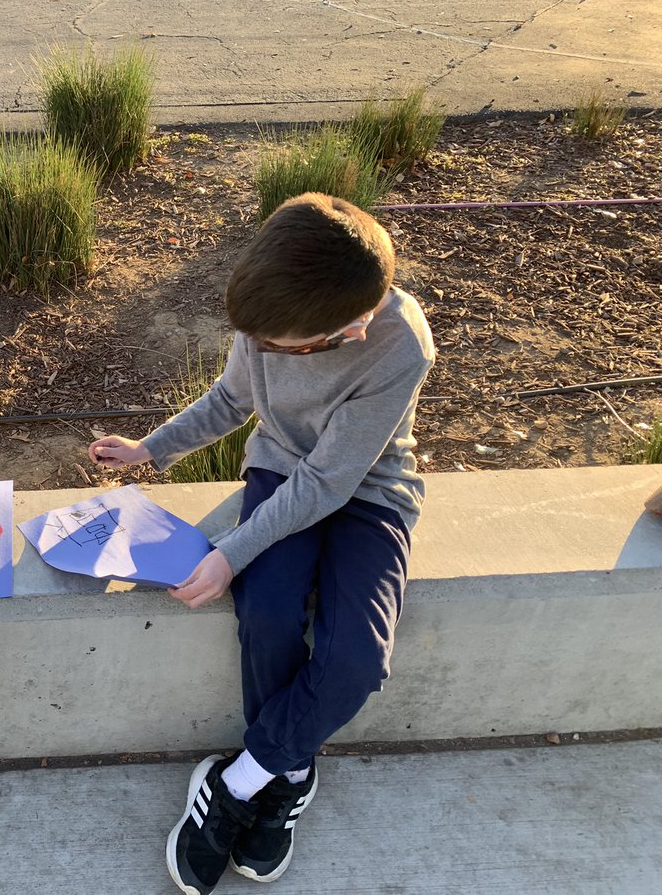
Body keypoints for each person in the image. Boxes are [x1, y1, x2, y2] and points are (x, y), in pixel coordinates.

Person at [89, 192, 435, 893]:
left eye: (282, 349)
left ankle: (244, 779)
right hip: (280, 471)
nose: (264, 353)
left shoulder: (401, 345)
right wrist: (151, 450)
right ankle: (291, 765)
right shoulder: (271, 317)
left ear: (352, 329)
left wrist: (230, 551)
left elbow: (331, 483)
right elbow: (230, 400)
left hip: (367, 492)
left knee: (357, 660)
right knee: (269, 613)